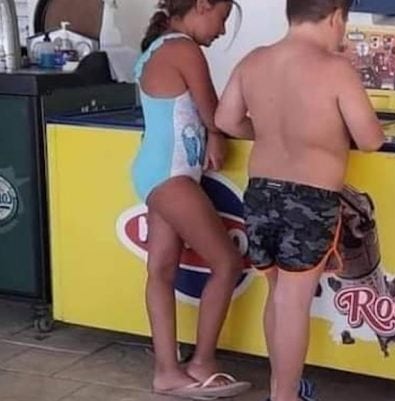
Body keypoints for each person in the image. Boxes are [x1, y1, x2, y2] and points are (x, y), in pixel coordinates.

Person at [215, 0, 385, 400]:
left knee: (277, 293)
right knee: (293, 302)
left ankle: (282, 388)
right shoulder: (336, 70)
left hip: (260, 192)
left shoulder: (254, 60)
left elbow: (225, 120)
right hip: (310, 197)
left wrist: (271, 132)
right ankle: (285, 396)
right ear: (336, 17)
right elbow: (370, 139)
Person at [132, 0, 250, 398]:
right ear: (202, 5)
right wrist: (269, 128)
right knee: (227, 262)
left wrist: (214, 133)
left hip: (157, 170)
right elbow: (216, 115)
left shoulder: (161, 45)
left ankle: (167, 371)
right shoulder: (183, 48)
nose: (222, 30)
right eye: (222, 18)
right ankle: (201, 362)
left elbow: (204, 118)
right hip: (171, 175)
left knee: (161, 270)